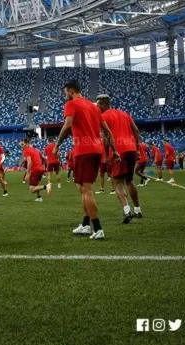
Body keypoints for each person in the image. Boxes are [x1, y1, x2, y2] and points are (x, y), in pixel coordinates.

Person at [53, 81, 118, 240]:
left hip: (84, 151)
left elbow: (68, 125)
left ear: (70, 91)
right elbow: (107, 130)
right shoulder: (93, 107)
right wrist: (114, 151)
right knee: (82, 188)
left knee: (87, 190)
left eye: (65, 92)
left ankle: (98, 228)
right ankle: (85, 224)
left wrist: (57, 145)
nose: (65, 95)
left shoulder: (71, 104)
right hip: (96, 150)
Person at [96, 94, 142, 223]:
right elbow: (136, 130)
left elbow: (106, 138)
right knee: (130, 180)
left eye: (98, 104)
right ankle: (138, 210)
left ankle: (127, 211)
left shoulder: (103, 117)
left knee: (117, 182)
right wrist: (137, 149)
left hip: (118, 150)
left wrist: (106, 154)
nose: (97, 107)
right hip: (131, 148)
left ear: (104, 104)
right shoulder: (124, 114)